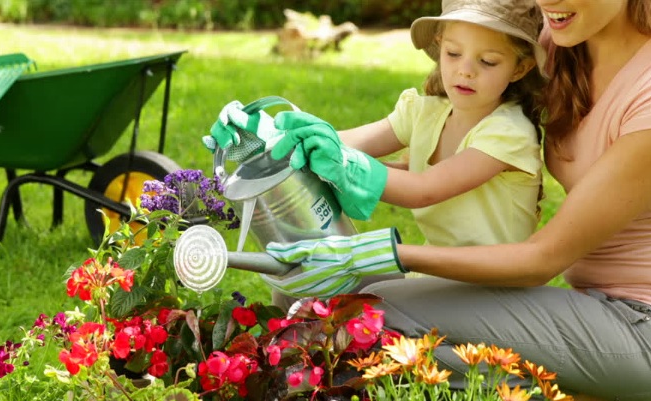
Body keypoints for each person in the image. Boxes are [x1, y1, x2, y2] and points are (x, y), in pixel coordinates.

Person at [265, 0, 651, 399]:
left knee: (366, 316)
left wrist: (387, 253)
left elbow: (541, 259)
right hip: (582, 307)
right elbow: (437, 159)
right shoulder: (558, 39)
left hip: (638, 326)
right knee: (313, 291)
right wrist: (278, 141)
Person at [204, 0, 546, 304]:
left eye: (487, 61)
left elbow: (424, 190)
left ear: (519, 68)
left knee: (347, 306)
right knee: (301, 273)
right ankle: (290, 365)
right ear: (439, 46)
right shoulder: (424, 112)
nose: (465, 69)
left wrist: (345, 164)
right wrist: (266, 134)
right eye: (453, 53)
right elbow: (344, 141)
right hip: (434, 280)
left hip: (490, 294)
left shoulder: (508, 133)